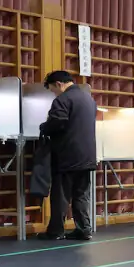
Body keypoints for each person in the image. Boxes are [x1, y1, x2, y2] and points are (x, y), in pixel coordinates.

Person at [38, 70, 98, 241]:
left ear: (59, 84)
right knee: (81, 194)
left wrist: (44, 127)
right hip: (87, 156)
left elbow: (58, 122)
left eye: (52, 89)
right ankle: (84, 229)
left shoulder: (63, 99)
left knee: (61, 195)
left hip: (67, 155)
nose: (53, 93)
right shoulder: (88, 98)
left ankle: (56, 231)